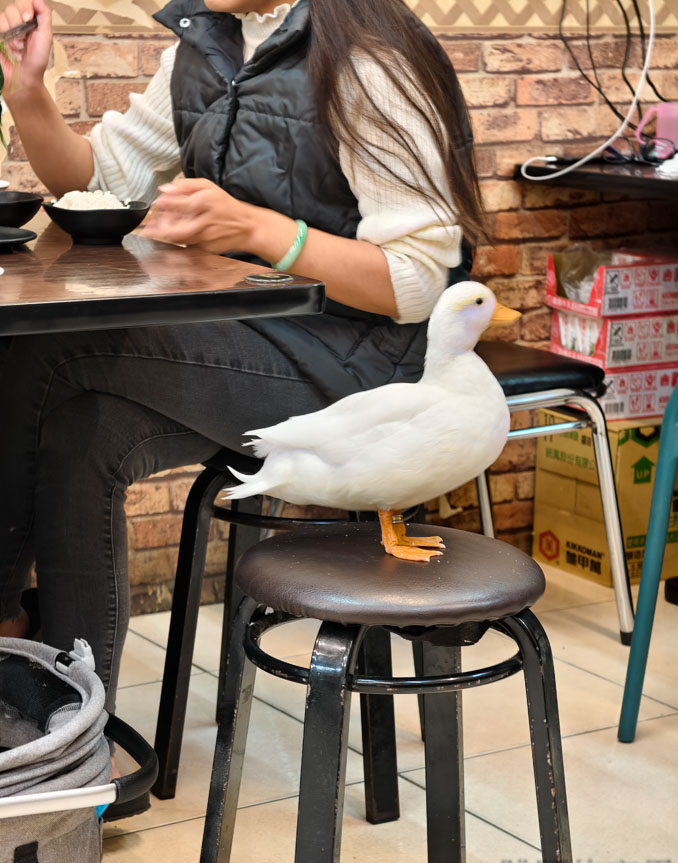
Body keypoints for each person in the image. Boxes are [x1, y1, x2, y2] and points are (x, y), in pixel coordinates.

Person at [0, 0, 484, 712]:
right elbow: (98, 176)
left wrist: (260, 231)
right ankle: (78, 723)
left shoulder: (369, 58)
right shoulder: (207, 43)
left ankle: (6, 626)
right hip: (256, 338)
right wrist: (26, 91)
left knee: (45, 353)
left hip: (368, 370)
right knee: (80, 434)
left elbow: (415, 284)